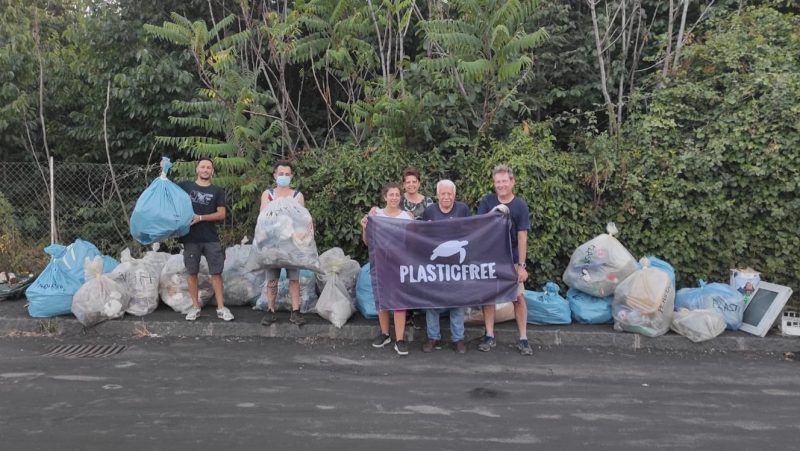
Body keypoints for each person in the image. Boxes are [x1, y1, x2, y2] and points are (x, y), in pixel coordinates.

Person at [476, 164, 532, 355]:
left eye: (504, 181)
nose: (501, 185)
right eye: (497, 182)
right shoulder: (486, 201)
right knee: (489, 297)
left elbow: (523, 236)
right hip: (490, 259)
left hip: (512, 260)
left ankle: (523, 339)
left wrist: (522, 266)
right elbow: (480, 228)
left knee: (518, 297)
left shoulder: (520, 205)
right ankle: (489, 335)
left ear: (512, 182)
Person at [360, 182, 414, 356]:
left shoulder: (407, 217)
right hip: (380, 263)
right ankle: (385, 334)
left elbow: (413, 242)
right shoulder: (376, 214)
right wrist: (364, 227)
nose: (394, 198)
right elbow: (368, 242)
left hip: (400, 264)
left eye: (397, 195)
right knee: (381, 300)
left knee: (399, 301)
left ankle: (400, 339)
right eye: (391, 195)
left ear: (401, 197)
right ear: (385, 197)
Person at [177, 158, 234, 322]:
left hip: (211, 238)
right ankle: (195, 307)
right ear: (197, 169)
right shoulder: (185, 187)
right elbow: (167, 191)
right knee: (192, 272)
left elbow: (222, 214)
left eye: (208, 167)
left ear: (212, 172)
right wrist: (164, 171)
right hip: (190, 238)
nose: (205, 169)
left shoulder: (217, 191)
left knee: (216, 273)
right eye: (202, 166)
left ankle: (221, 308)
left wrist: (201, 217)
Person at [420, 179, 471, 354]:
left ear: (454, 195)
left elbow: (473, 231)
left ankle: (458, 339)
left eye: (449, 194)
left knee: (457, 301)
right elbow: (420, 234)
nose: (446, 197)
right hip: (435, 266)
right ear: (437, 195)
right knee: (432, 302)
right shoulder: (429, 211)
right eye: (443, 193)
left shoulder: (463, 209)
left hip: (456, 266)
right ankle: (433, 337)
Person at [259, 160, 307, 327]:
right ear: (275, 175)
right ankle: (271, 311)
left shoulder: (297, 196)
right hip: (272, 245)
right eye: (281, 174)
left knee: (294, 279)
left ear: (292, 176)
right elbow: (264, 216)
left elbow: (302, 219)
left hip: (292, 244)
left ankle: (296, 311)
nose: (284, 177)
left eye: (287, 174)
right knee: (272, 280)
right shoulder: (268, 194)